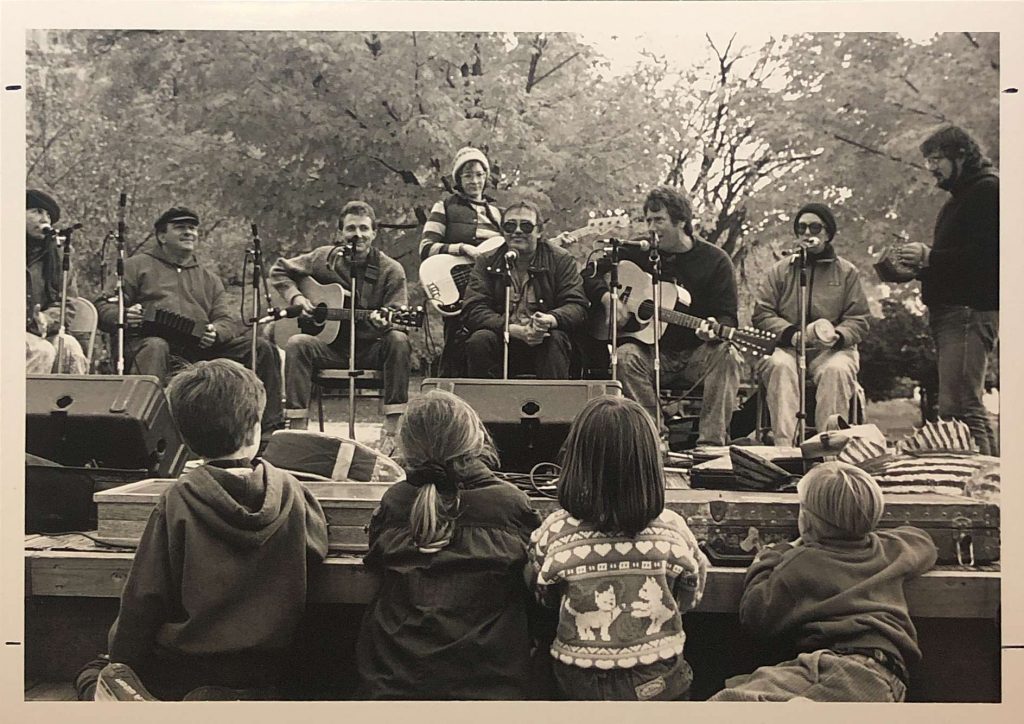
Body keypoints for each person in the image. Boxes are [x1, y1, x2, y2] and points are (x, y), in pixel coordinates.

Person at [102, 359, 329, 700]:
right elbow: (317, 548)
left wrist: (121, 661)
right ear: (254, 429)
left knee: (94, 671)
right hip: (269, 669)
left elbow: (144, 600)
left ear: (184, 438)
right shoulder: (292, 490)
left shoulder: (177, 500)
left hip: (187, 672)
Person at [355, 390, 541, 699]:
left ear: (407, 447)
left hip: (394, 683)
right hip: (490, 686)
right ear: (475, 441)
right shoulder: (510, 504)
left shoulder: (395, 502)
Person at [527, 396, 708, 700]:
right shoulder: (673, 528)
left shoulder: (555, 530)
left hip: (578, 682)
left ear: (574, 461)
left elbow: (542, 595)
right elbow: (692, 593)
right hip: (656, 679)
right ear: (651, 465)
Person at [709, 462, 938, 702]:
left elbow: (755, 616)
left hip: (842, 671)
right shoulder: (892, 550)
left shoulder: (800, 562)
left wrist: (768, 557)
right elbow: (923, 541)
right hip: (887, 674)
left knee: (725, 704)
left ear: (806, 522)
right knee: (746, 686)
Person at [96, 206, 284, 439]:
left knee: (260, 348)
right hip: (148, 346)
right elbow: (103, 307)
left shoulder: (208, 278)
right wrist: (124, 315)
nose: (189, 232)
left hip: (199, 350)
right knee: (156, 345)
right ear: (162, 236)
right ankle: (145, 431)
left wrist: (216, 333)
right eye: (180, 227)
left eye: (193, 228)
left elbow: (227, 320)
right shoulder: (135, 267)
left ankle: (268, 434)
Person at [585, 186, 742, 447]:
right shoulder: (639, 250)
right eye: (648, 220)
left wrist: (715, 327)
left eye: (659, 220)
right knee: (624, 356)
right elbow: (589, 273)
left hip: (697, 354)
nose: (652, 228)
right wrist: (608, 299)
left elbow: (728, 316)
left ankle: (711, 445)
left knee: (728, 354)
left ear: (681, 221)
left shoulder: (715, 260)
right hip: (651, 352)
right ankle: (653, 439)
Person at [269, 200, 411, 454]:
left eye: (364, 228)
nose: (358, 235)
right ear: (340, 232)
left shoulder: (391, 270)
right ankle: (297, 430)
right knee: (297, 343)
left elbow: (399, 314)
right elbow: (279, 269)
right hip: (330, 350)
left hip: (370, 350)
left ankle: (392, 430)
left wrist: (386, 322)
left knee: (398, 340)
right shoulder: (323, 259)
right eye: (351, 228)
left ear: (374, 233)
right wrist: (297, 298)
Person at [898, 126, 999, 456]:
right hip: (952, 314)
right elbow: (956, 262)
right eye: (927, 160)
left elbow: (989, 257)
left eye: (936, 159)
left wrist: (930, 257)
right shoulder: (958, 199)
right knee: (954, 410)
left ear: (962, 155)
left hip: (968, 312)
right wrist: (918, 268)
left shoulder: (987, 191)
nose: (931, 167)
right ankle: (980, 478)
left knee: (964, 408)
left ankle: (990, 483)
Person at [752, 203, 870, 444]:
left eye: (815, 227)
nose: (807, 233)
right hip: (787, 348)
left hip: (832, 351)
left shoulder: (847, 272)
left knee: (837, 370)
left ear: (827, 233)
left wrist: (838, 335)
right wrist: (790, 334)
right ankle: (785, 447)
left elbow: (859, 319)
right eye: (801, 227)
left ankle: (828, 448)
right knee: (778, 366)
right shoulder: (780, 271)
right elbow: (762, 313)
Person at [461, 199, 588, 379]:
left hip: (544, 339)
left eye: (526, 226)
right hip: (502, 337)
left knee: (556, 339)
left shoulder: (561, 259)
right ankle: (483, 398)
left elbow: (577, 306)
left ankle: (553, 397)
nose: (518, 231)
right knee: (479, 340)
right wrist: (510, 329)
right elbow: (473, 309)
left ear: (539, 231)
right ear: (502, 231)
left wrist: (550, 319)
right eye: (510, 226)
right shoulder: (486, 260)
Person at [419, 146, 504, 376]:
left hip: (489, 292)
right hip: (458, 289)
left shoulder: (498, 213)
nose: (474, 181)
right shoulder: (444, 207)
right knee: (455, 349)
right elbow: (425, 248)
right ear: (458, 179)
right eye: (468, 175)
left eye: (479, 174)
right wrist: (462, 248)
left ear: (486, 177)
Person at [25, 189, 89, 374]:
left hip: (40, 332)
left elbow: (66, 302)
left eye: (48, 215)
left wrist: (46, 319)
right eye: (37, 211)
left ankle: (74, 395)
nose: (44, 219)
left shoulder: (58, 257)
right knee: (41, 351)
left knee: (70, 349)